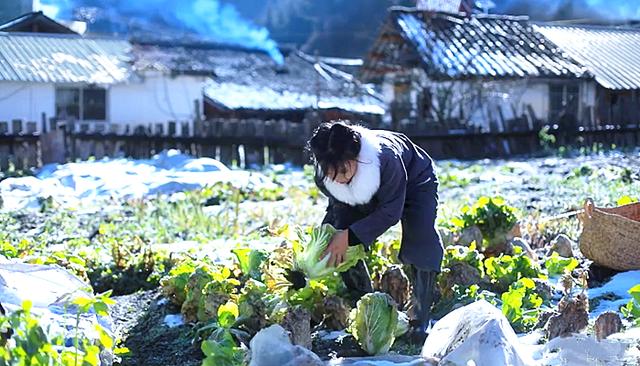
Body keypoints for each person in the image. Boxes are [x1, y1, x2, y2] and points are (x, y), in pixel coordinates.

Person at [307, 121, 444, 342]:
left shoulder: (386, 158)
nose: (338, 178)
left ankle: (420, 318)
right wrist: (343, 234)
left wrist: (351, 235)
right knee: (335, 238)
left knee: (421, 236)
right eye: (332, 174)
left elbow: (391, 212)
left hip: (414, 180)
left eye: (343, 170)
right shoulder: (325, 174)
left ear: (358, 156)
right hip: (359, 193)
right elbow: (340, 206)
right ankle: (365, 303)